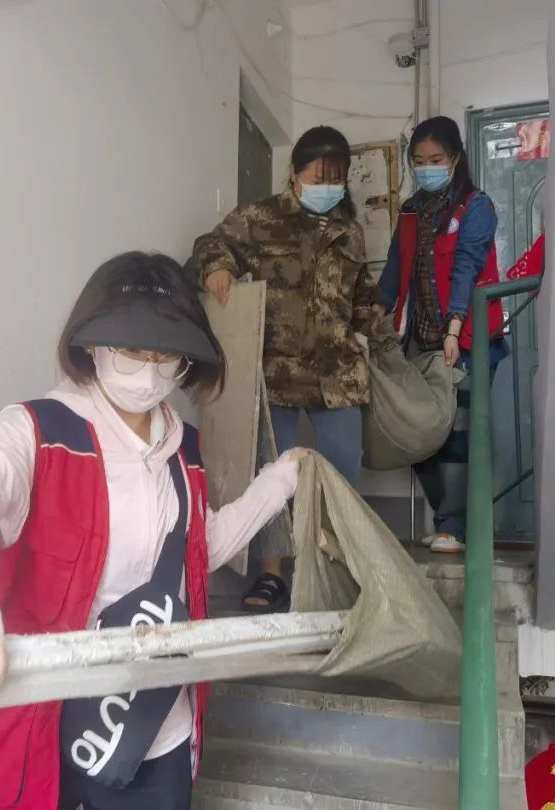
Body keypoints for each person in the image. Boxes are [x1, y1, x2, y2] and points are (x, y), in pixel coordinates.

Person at [0, 252, 305, 810]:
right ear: (93, 346)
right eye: (131, 351)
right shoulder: (39, 431)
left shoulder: (184, 449)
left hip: (151, 724)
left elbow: (202, 549)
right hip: (45, 724)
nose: (148, 370)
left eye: (164, 355)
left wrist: (278, 482)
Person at [190, 125, 386, 613]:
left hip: (337, 374)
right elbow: (210, 243)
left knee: (341, 472)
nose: (329, 187)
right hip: (274, 372)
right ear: (294, 174)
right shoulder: (261, 218)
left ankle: (337, 569)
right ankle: (271, 573)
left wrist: (381, 330)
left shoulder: (350, 232)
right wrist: (218, 267)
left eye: (337, 179)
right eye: (319, 177)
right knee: (269, 474)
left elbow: (361, 298)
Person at [378, 116, 508, 554]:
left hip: (467, 339)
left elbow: (467, 267)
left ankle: (454, 525)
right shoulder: (410, 211)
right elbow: (395, 269)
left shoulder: (476, 207)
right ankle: (450, 520)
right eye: (419, 161)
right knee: (419, 435)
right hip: (420, 339)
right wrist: (376, 316)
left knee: (457, 435)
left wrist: (454, 328)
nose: (426, 168)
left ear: (455, 158)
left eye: (436, 159)